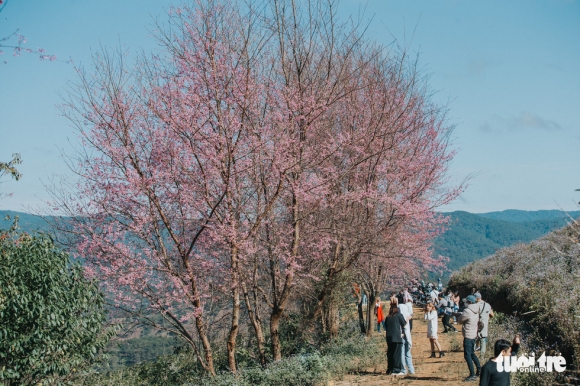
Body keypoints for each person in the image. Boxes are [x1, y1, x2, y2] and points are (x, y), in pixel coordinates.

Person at [453, 295, 482, 382]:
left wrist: (457, 315)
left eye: (466, 301)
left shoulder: (467, 311)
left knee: (467, 355)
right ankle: (479, 369)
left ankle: (472, 374)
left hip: (468, 335)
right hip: (473, 334)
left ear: (469, 302)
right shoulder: (476, 309)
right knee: (472, 353)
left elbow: (460, 321)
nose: (465, 303)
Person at [384, 305, 407, 375]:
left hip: (389, 338)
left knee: (390, 354)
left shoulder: (388, 317)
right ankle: (396, 370)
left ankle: (390, 369)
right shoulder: (399, 315)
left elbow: (385, 327)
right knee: (397, 354)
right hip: (397, 338)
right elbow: (404, 324)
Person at [397, 300, 415, 375]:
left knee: (402, 354)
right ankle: (411, 370)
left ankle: (403, 370)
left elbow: (402, 326)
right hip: (408, 336)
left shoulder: (399, 316)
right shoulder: (408, 316)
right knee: (408, 354)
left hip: (402, 336)